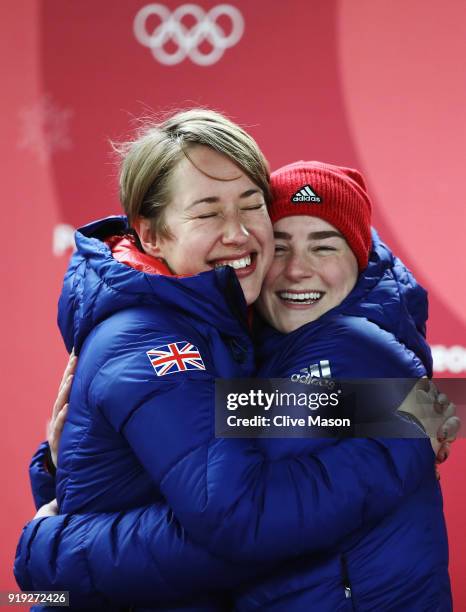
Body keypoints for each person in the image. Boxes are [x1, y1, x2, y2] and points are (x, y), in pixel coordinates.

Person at [14, 114, 457, 610]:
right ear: (151, 235)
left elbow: (242, 516)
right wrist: (58, 481)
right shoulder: (198, 338)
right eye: (207, 213)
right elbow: (239, 512)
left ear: (360, 257)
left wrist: (49, 551)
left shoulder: (338, 344)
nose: (241, 235)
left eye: (251, 206)